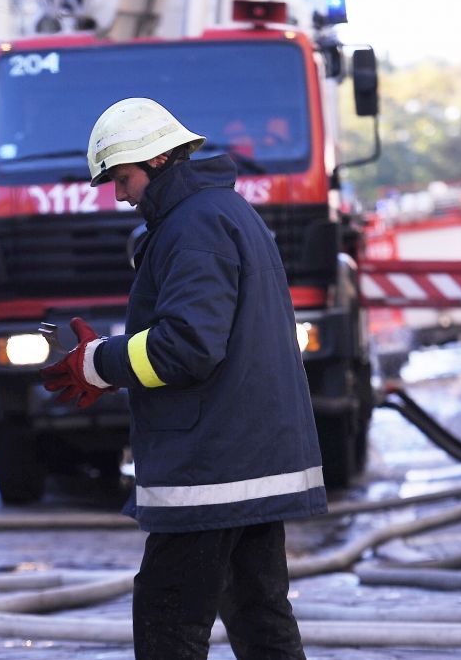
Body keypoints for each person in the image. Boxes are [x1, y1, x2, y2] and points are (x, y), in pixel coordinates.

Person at [42, 97, 326, 659]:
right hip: (250, 460)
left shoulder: (193, 227)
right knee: (260, 618)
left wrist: (97, 362)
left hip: (211, 465)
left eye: (123, 178)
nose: (119, 195)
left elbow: (188, 346)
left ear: (161, 160)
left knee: (168, 620)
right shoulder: (224, 213)